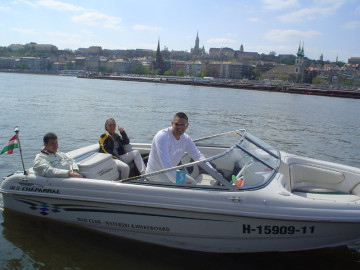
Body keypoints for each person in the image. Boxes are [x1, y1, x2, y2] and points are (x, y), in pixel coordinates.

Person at [146, 112, 211, 183]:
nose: (180, 127)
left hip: (172, 170)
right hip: (155, 173)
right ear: (172, 123)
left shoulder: (186, 138)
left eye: (183, 125)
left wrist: (214, 172)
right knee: (182, 190)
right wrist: (180, 183)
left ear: (187, 125)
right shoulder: (162, 137)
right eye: (177, 124)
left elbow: (198, 156)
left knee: (193, 183)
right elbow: (166, 165)